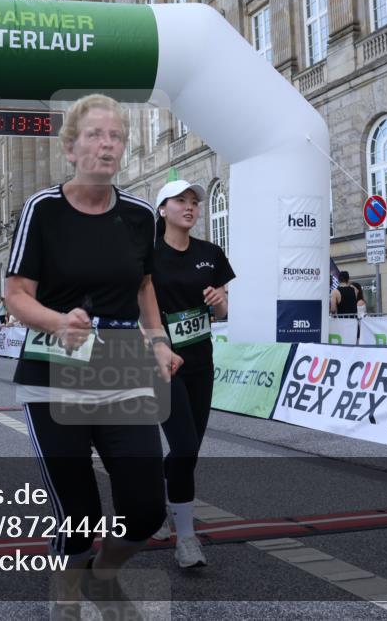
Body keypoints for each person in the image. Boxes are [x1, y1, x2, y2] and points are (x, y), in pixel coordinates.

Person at [4, 94, 180, 618]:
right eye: (95, 135)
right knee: (77, 514)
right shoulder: (43, 210)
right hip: (53, 367)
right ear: (71, 148)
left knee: (145, 508)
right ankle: (66, 601)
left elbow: (144, 285)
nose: (107, 145)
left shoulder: (140, 215)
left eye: (116, 136)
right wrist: (58, 321)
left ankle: (102, 580)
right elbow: (16, 294)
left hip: (122, 365)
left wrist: (159, 341)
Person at [150, 179, 235, 568]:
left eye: (194, 202)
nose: (189, 207)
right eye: (180, 200)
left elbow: (223, 311)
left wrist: (220, 301)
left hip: (201, 362)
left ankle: (156, 498)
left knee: (189, 451)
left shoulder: (210, 253)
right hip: (161, 364)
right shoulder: (148, 254)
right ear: (162, 209)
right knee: (184, 447)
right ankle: (186, 539)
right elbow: (137, 307)